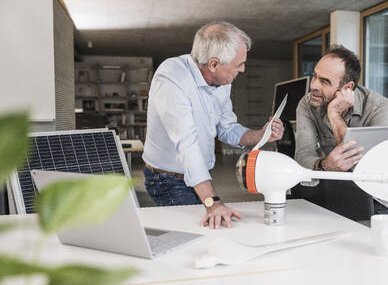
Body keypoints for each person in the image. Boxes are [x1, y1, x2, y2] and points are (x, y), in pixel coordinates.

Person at [142, 21, 284, 229]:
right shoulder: (171, 78)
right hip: (167, 180)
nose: (243, 70)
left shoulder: (221, 83)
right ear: (214, 64)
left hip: (198, 177)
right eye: (238, 65)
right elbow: (187, 145)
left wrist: (261, 135)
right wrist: (212, 202)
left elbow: (227, 128)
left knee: (214, 227)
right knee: (196, 236)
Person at [293, 45, 388, 220]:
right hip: (338, 188)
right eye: (314, 76)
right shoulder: (307, 104)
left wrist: (334, 114)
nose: (313, 85)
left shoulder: (379, 108)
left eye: (325, 81)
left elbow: (368, 171)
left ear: (348, 87)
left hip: (379, 199)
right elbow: (302, 156)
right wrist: (324, 165)